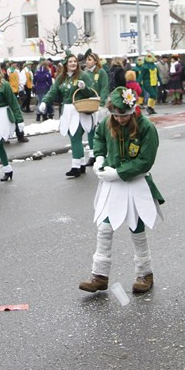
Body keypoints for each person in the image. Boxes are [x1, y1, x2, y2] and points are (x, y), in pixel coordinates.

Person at [79, 87, 162, 295]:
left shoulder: (146, 127)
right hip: (112, 184)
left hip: (135, 182)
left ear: (132, 110)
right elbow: (98, 138)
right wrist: (98, 157)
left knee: (136, 228)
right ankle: (99, 276)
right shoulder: (109, 123)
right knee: (105, 228)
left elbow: (145, 160)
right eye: (116, 115)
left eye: (124, 115)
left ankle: (145, 274)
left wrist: (119, 173)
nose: (120, 119)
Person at [41, 51, 96, 178]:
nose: (73, 64)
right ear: (65, 64)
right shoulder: (61, 78)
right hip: (67, 110)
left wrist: (84, 88)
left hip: (80, 109)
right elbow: (53, 91)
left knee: (75, 137)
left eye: (75, 61)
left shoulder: (83, 76)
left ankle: (75, 167)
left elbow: (92, 93)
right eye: (70, 61)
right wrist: (44, 101)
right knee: (73, 137)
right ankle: (81, 164)